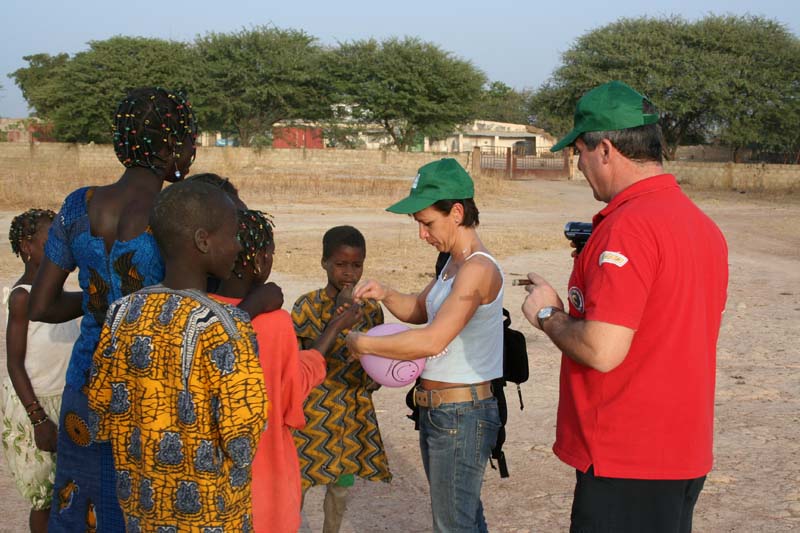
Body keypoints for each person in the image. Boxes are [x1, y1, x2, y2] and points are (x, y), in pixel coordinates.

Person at [520, 81, 728, 532]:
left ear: (606, 149)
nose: (578, 165)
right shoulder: (701, 225)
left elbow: (602, 349)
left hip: (626, 454)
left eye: (579, 151)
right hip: (682, 450)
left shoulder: (628, 228)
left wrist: (546, 314)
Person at [27, 87, 198, 531]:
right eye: (188, 140)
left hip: (84, 381)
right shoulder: (176, 212)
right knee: (146, 507)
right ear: (168, 147)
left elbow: (41, 304)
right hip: (148, 388)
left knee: (80, 502)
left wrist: (97, 304)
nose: (193, 150)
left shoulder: (77, 205)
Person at [86, 179, 268, 531]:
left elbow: (101, 415)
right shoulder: (227, 327)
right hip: (210, 515)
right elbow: (242, 438)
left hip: (142, 510)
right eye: (232, 236)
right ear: (203, 240)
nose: (238, 246)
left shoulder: (121, 314)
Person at [347, 158, 504, 533]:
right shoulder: (452, 263)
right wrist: (385, 293)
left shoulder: (477, 270)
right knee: (463, 521)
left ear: (457, 212)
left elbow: (433, 338)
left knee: (454, 526)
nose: (422, 233)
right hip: (442, 413)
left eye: (427, 222)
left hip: (462, 415)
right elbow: (420, 310)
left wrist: (364, 344)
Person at [212, 208, 362, 532]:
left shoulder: (194, 309)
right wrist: (335, 328)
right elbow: (293, 390)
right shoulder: (274, 320)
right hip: (265, 483)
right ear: (259, 259)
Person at [291, 225, 391, 533]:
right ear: (324, 262)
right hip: (311, 416)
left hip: (350, 414)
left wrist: (374, 378)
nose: (349, 273)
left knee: (340, 487)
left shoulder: (371, 310)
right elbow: (299, 361)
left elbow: (379, 364)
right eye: (340, 264)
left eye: (356, 265)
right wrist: (337, 320)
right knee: (298, 485)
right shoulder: (307, 305)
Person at [2, 209, 80, 533]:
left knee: (71, 493)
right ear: (26, 246)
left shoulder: (68, 296)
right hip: (35, 405)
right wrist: (38, 419)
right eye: (51, 242)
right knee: (44, 500)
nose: (59, 249)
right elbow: (14, 363)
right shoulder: (22, 298)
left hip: (66, 402)